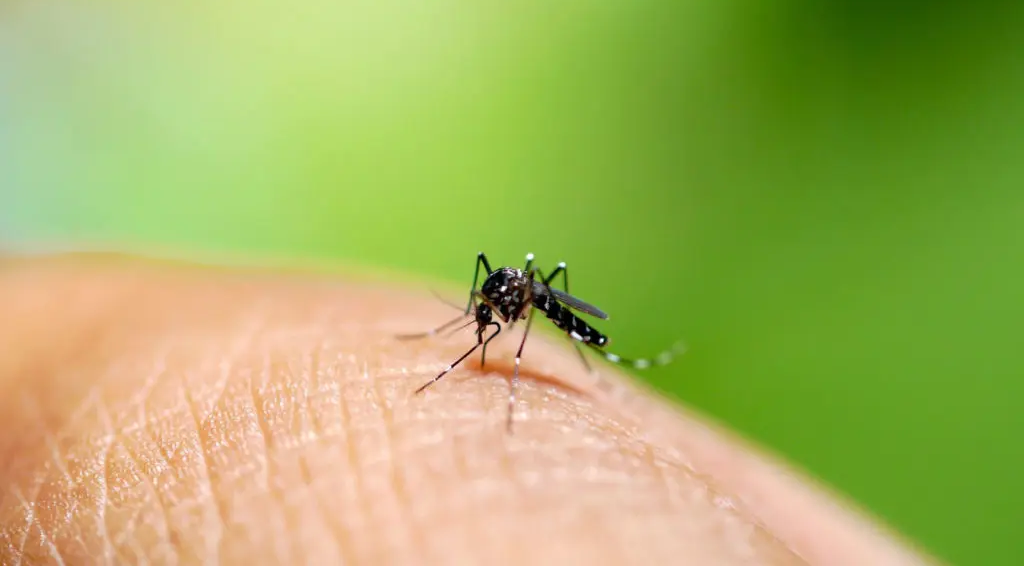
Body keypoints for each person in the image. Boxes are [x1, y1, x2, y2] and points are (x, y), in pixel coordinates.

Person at [0, 254, 932, 565]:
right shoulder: (497, 287)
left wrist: (513, 352)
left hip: (570, 332)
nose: (493, 309)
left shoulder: (529, 302)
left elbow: (524, 298)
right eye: (491, 310)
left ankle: (588, 367)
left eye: (493, 308)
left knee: (546, 299)